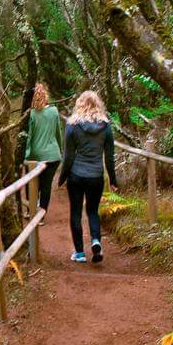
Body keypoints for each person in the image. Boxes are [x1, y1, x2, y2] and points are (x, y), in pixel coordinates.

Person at [58, 90, 119, 264]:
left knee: (76, 212)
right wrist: (113, 180)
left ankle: (79, 253)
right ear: (98, 105)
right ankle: (95, 241)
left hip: (76, 176)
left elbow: (68, 156)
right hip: (96, 176)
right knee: (92, 211)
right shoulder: (105, 126)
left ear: (79, 105)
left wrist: (62, 178)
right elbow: (109, 156)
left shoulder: (72, 125)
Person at [23, 83, 63, 222]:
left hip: (36, 155)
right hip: (53, 155)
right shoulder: (54, 111)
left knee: (32, 183)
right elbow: (58, 133)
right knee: (46, 186)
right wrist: (61, 150)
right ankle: (41, 215)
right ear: (46, 96)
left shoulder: (32, 114)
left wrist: (26, 156)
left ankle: (30, 210)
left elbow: (30, 136)